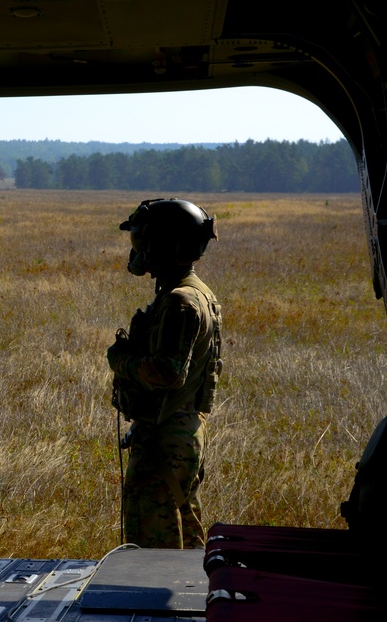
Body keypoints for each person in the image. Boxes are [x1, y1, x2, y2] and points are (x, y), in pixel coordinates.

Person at [107, 198, 222, 549]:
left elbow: (168, 373)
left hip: (167, 437)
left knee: (152, 547)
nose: (137, 250)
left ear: (164, 246)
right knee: (182, 533)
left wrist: (121, 359)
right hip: (177, 431)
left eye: (142, 241)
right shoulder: (196, 294)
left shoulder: (180, 302)